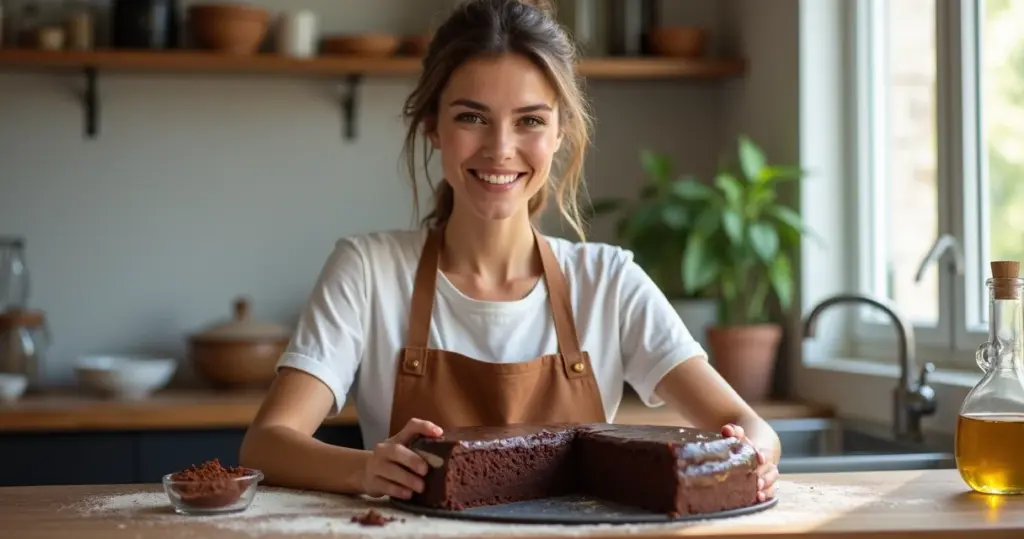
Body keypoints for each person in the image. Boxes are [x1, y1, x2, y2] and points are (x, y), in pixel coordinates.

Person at [240, 0, 780, 504]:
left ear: (560, 132)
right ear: (433, 125)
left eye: (530, 120)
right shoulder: (368, 271)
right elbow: (267, 443)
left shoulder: (609, 281)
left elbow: (748, 425)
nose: (500, 149)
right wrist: (364, 469)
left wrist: (754, 453)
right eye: (471, 117)